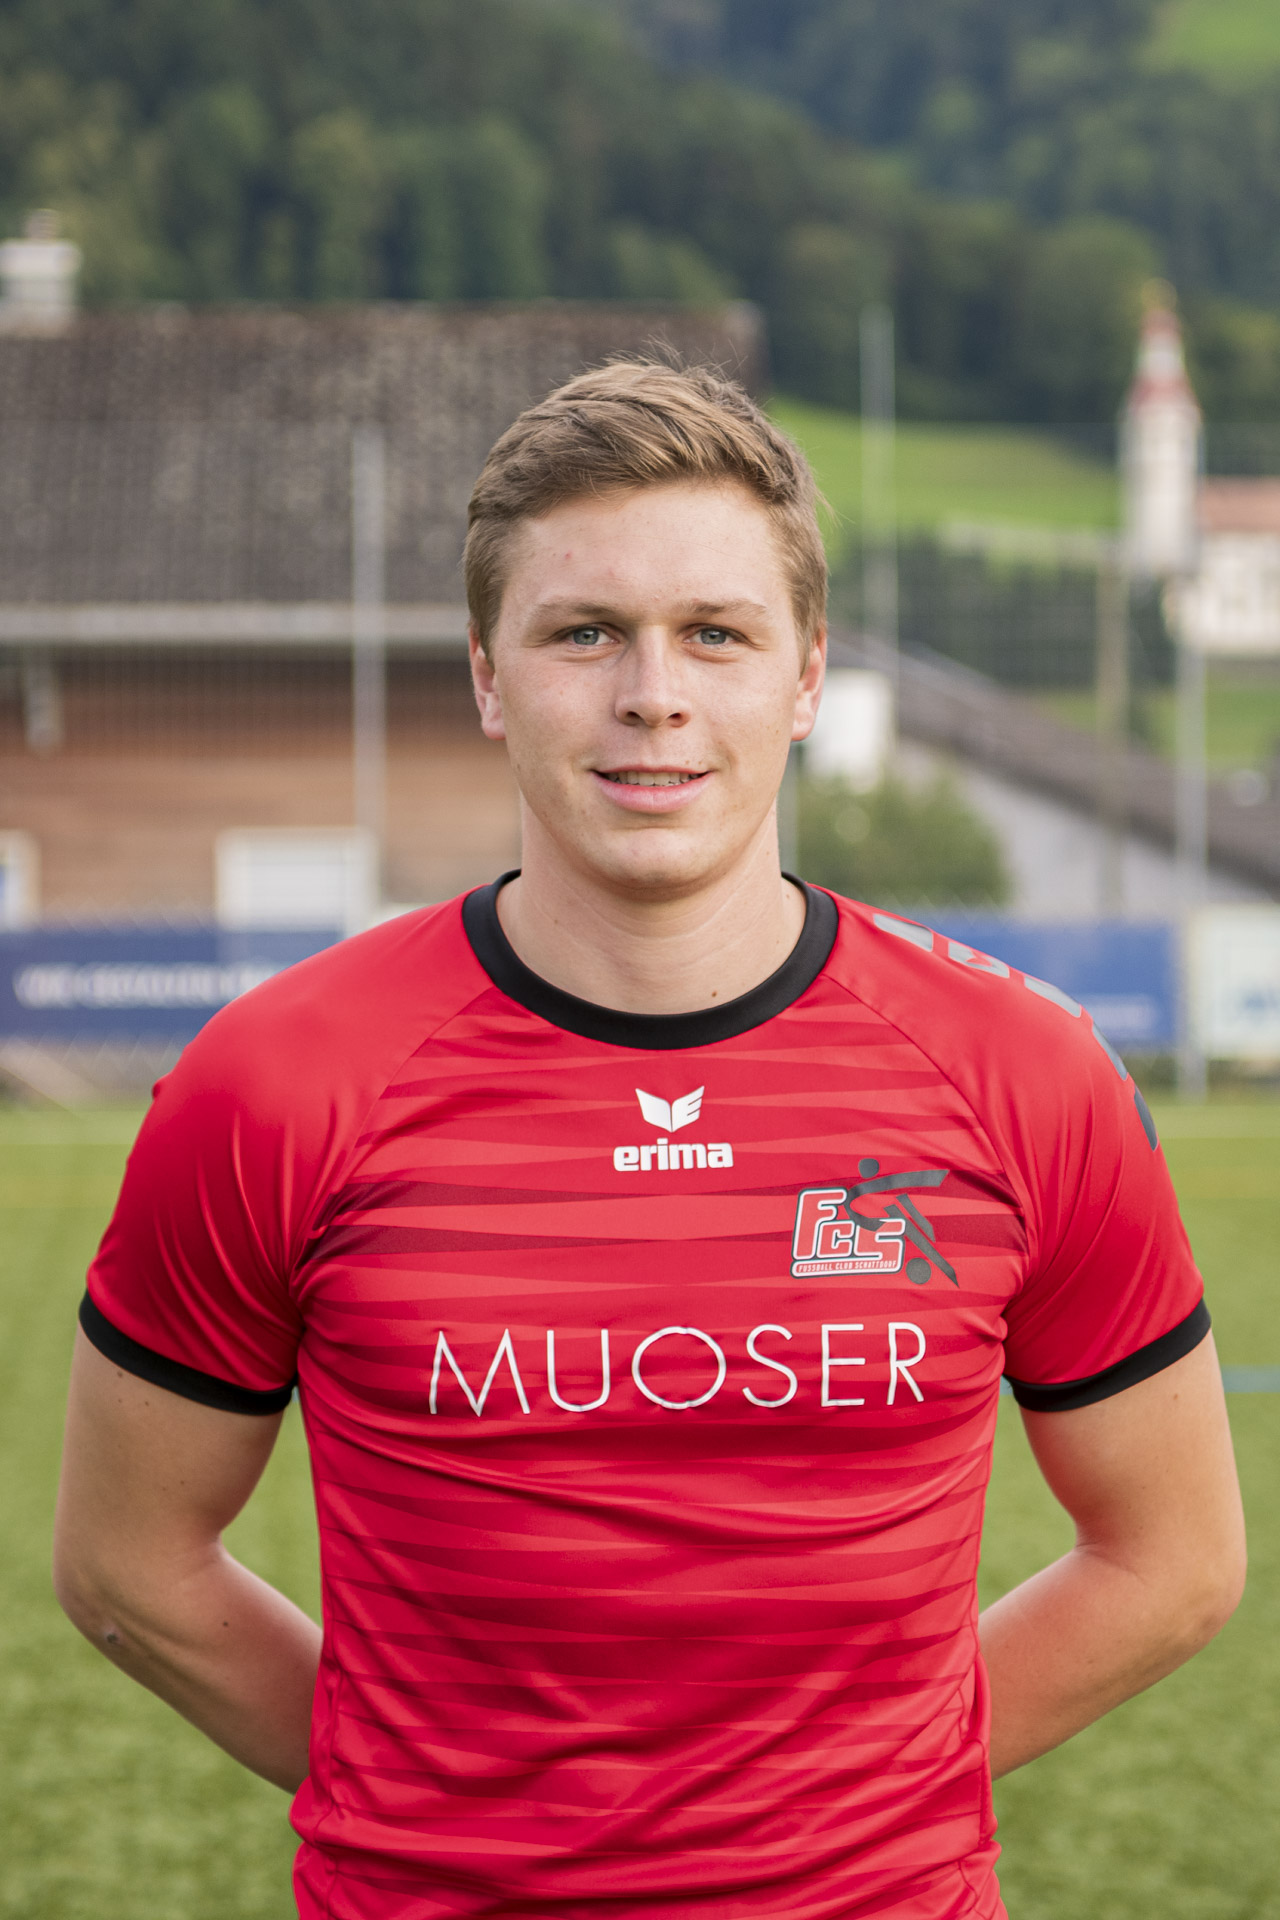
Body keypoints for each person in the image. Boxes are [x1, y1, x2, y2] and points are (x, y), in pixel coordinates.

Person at [54, 359, 1245, 1920]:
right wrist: (419, 1791)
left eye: (717, 634)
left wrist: (856, 1806)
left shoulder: (1025, 1076)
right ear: (488, 677)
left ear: (807, 676)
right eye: (585, 633)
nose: (653, 696)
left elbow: (1174, 1556)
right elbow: (127, 1564)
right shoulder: (273, 1084)